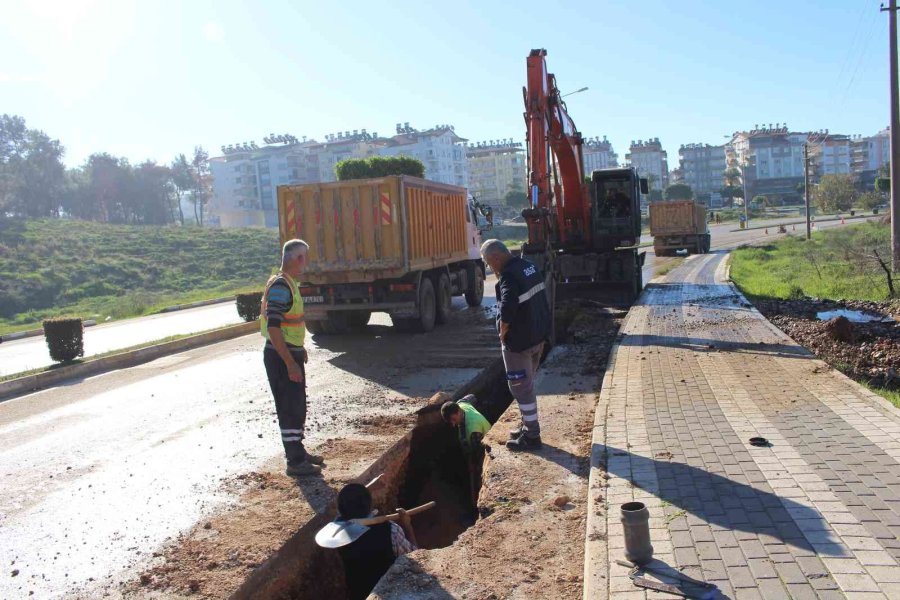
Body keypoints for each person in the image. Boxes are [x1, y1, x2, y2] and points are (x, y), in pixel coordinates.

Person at [480, 239, 551, 451]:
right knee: (527, 385)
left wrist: (503, 334)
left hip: (519, 343)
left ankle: (532, 436)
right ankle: (527, 425)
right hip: (538, 336)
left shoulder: (509, 276)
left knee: (520, 388)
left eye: (488, 263)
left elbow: (507, 309)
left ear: (496, 258)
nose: (490, 268)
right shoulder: (528, 266)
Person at [261, 239, 324, 477]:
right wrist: (289, 362)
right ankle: (295, 462)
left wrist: (300, 348)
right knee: (289, 407)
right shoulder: (281, 286)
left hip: (289, 352)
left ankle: (298, 452)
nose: (306, 263)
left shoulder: (287, 282)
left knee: (297, 406)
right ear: (298, 258)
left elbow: (289, 324)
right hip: (281, 357)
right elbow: (274, 328)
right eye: (305, 258)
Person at [334, 483, 418, 600]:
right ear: (370, 505)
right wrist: (407, 525)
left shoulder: (337, 535)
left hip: (358, 595)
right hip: (391, 594)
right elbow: (415, 557)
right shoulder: (391, 530)